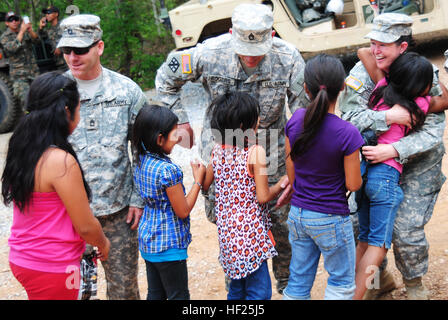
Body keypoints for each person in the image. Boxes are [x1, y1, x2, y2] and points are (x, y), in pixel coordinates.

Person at [155, 3, 309, 293]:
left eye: (258, 51)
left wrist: (297, 167)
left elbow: (302, 116)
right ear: (230, 33)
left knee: (282, 230)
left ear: (272, 35)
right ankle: (238, 291)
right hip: (222, 159)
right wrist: (182, 121)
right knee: (233, 233)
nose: (250, 58)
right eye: (243, 49)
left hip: (270, 159)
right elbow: (165, 79)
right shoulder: (207, 53)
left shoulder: (288, 58)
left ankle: (287, 290)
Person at [338, 13, 446, 300]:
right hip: (374, 165)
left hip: (418, 163)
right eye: (372, 43)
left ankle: (414, 286)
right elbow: (347, 120)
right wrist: (387, 116)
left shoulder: (424, 74)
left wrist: (395, 149)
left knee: (406, 230)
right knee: (359, 226)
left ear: (403, 46)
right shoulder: (362, 73)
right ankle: (376, 283)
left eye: (383, 44)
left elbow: (433, 132)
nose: (375, 50)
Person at [56, 14, 149, 300]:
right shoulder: (55, 92)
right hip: (68, 217)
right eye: (66, 50)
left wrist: (137, 198)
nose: (72, 57)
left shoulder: (126, 91)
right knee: (75, 295)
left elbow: (142, 149)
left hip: (119, 214)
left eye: (81, 49)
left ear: (99, 47)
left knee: (124, 292)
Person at [1, 71, 110, 300]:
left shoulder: (22, 147)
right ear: (67, 111)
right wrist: (103, 242)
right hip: (53, 265)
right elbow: (86, 227)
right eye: (78, 109)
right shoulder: (60, 161)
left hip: (24, 258)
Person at [352, 52, 437, 300]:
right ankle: (354, 296)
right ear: (420, 87)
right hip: (386, 176)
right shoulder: (418, 103)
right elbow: (439, 101)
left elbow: (365, 54)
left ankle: (345, 290)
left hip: (364, 173)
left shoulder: (380, 89)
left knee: (364, 241)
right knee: (378, 246)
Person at [283, 54, 363, 300]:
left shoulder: (295, 120)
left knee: (297, 281)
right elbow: (352, 184)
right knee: (340, 282)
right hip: (330, 217)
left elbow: (291, 168)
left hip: (298, 215)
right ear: (342, 86)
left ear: (305, 88)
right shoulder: (347, 133)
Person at [202, 91, 286, 300]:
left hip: (228, 237)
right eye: (255, 117)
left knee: (236, 290)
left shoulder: (217, 151)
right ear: (243, 126)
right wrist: (282, 185)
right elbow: (263, 197)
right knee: (259, 292)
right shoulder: (254, 152)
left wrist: (198, 174)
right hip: (250, 238)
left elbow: (204, 185)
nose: (258, 120)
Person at [132, 105, 205, 300]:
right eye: (175, 134)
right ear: (159, 139)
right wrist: (198, 180)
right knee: (178, 295)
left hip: (149, 241)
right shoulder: (167, 171)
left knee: (155, 294)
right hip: (169, 245)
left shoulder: (141, 158)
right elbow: (183, 210)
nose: (178, 138)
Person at [0, 11, 40, 111]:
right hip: (19, 76)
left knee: (41, 99)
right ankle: (30, 124)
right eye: (10, 20)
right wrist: (22, 32)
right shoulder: (5, 37)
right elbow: (12, 49)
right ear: (7, 23)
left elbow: (37, 41)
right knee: (27, 102)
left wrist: (30, 30)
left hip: (33, 72)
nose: (14, 21)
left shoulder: (26, 32)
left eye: (16, 19)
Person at [39, 5, 67, 71]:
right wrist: (41, 27)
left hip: (69, 61)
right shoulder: (49, 30)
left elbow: (71, 38)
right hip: (59, 63)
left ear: (56, 14)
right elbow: (38, 40)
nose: (46, 15)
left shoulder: (64, 25)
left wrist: (60, 47)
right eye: (46, 13)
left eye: (49, 13)